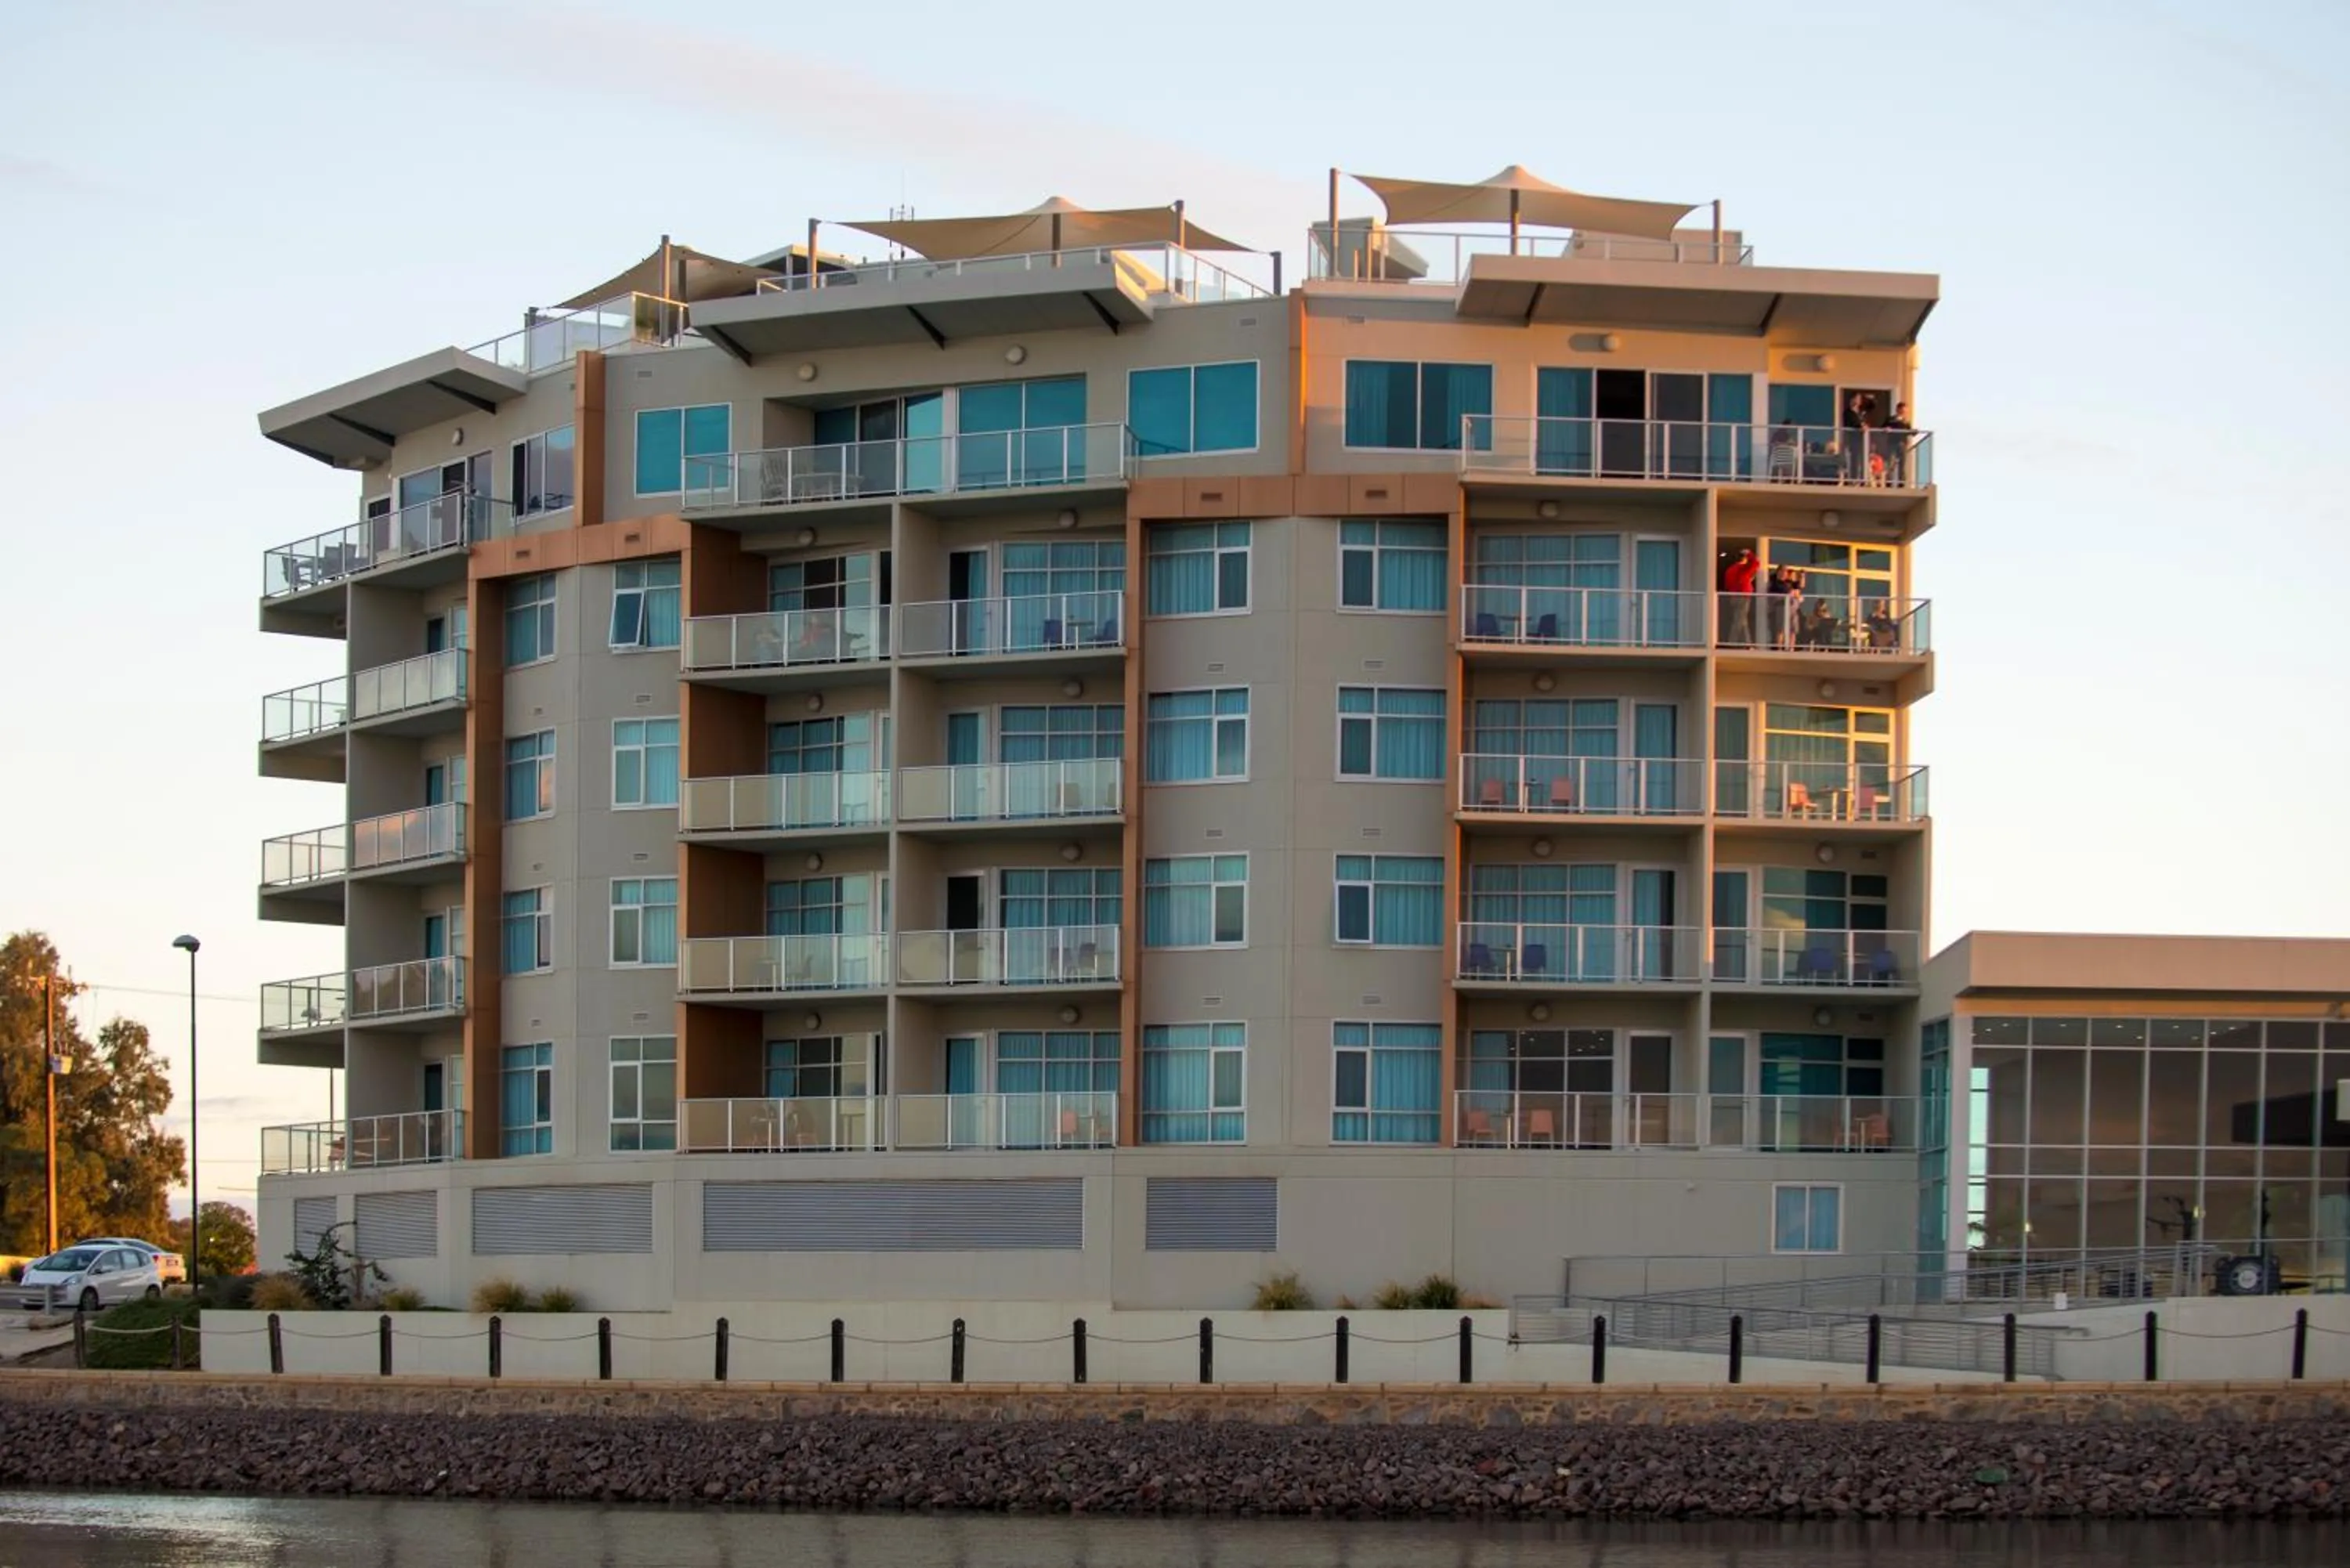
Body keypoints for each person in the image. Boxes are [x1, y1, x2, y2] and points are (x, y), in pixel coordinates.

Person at [1719, 547, 1759, 645]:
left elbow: (1727, 585)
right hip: (1743, 597)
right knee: (1739, 621)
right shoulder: (1742, 568)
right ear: (1744, 559)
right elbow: (1756, 564)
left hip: (1733, 597)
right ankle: (1732, 642)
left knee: (1742, 620)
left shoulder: (1730, 570)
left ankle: (1747, 643)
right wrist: (1749, 553)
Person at [1842, 392, 1878, 482]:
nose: (1858, 401)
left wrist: (1870, 398)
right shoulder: (1848, 412)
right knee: (1855, 459)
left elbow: (1873, 407)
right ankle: (1854, 480)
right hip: (1853, 439)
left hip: (1863, 440)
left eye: (1859, 399)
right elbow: (1850, 423)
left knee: (1863, 459)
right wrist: (1860, 426)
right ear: (1852, 400)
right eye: (1857, 399)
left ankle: (1863, 479)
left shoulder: (1861, 412)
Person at [1769, 563, 1805, 649]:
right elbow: (1773, 596)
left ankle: (1791, 647)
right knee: (1781, 629)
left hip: (1793, 608)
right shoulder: (1775, 583)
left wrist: (1802, 576)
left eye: (1786, 571)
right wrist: (1790, 594)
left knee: (1793, 629)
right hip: (1782, 607)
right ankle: (1779, 648)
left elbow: (1800, 586)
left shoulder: (1789, 582)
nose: (1785, 573)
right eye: (1783, 571)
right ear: (1779, 572)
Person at [1881, 400, 1914, 486]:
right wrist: (1886, 428)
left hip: (1902, 444)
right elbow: (1882, 428)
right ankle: (1889, 482)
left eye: (1905, 411)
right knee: (1891, 463)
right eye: (1902, 410)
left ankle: (1901, 483)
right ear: (1898, 410)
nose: (1904, 412)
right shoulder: (1890, 419)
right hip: (1892, 443)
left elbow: (1909, 431)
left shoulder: (1906, 422)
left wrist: (1914, 431)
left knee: (1902, 464)